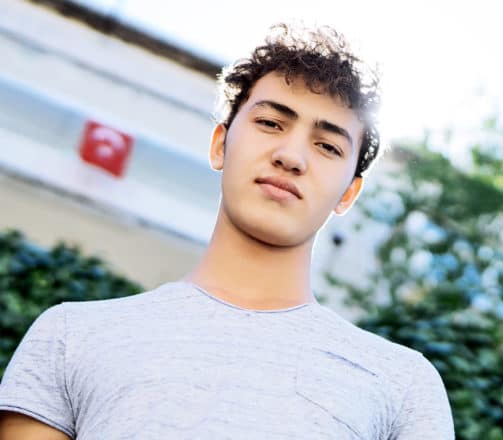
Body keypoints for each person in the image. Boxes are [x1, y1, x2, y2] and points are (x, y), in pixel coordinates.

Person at [0, 23, 454, 439]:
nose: (291, 156)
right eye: (271, 123)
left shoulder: (403, 385)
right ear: (220, 144)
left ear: (348, 194)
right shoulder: (68, 337)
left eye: (327, 145)